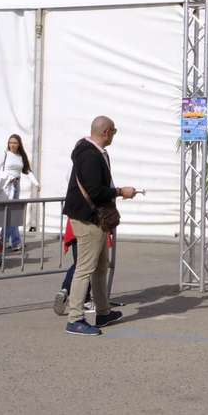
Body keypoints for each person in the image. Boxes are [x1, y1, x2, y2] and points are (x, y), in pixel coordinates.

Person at [61, 116, 135, 336]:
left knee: (101, 266)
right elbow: (95, 190)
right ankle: (75, 318)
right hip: (88, 218)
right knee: (84, 269)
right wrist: (121, 192)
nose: (114, 135)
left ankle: (103, 312)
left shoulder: (91, 152)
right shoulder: (91, 155)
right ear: (107, 132)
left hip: (93, 217)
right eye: (114, 131)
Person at [0, 134, 34, 250]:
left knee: (13, 213)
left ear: (19, 144)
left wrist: (36, 183)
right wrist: (7, 176)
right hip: (8, 184)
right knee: (11, 213)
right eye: (10, 142)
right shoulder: (5, 154)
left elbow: (27, 170)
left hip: (17, 184)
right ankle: (15, 241)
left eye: (15, 143)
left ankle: (4, 240)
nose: (12, 145)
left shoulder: (20, 156)